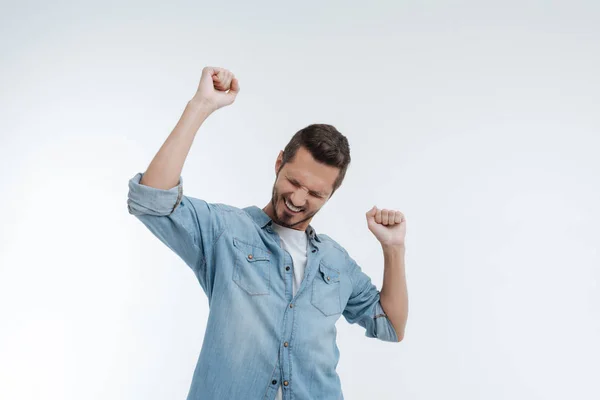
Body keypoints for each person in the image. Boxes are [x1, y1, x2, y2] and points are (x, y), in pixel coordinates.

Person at [127, 66, 409, 400]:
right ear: (279, 163)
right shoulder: (225, 231)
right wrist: (200, 105)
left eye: (316, 194)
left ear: (331, 195)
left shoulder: (336, 262)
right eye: (294, 181)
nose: (298, 199)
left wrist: (393, 248)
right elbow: (151, 200)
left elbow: (390, 325)